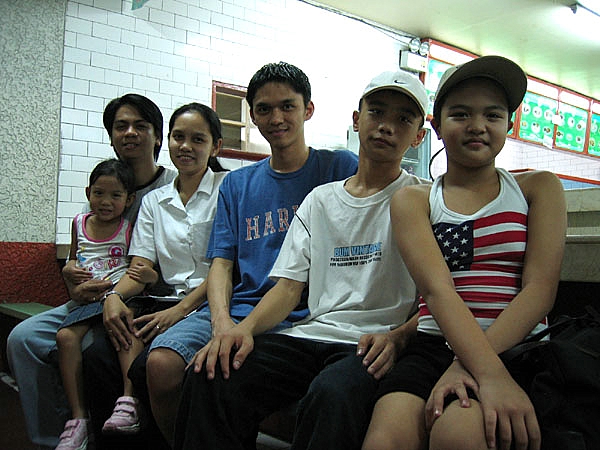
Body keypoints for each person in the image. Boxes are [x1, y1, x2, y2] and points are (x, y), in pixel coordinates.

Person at [174, 69, 430, 450]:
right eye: (377, 112)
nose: (386, 127)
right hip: (311, 333)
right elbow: (289, 288)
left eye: (403, 119)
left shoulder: (423, 201)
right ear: (357, 120)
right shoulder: (320, 200)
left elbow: (440, 294)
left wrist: (399, 337)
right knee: (213, 372)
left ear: (419, 137)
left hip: (371, 343)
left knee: (332, 394)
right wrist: (241, 330)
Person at [122, 61, 359, 447]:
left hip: (308, 315)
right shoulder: (237, 184)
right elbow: (222, 263)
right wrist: (220, 322)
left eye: (288, 106)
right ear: (253, 114)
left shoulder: (338, 167)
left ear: (308, 110)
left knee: (220, 374)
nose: (276, 118)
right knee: (162, 365)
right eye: (264, 109)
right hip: (241, 307)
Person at [362, 56, 567, 450]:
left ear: (509, 124)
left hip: (511, 346)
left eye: (493, 114)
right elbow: (437, 291)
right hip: (431, 345)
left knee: (460, 435)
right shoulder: (413, 200)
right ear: (436, 128)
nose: (477, 126)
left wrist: (478, 367)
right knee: (385, 440)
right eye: (460, 114)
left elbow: (540, 290)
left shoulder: (538, 189)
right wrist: (464, 362)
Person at [6, 93, 176, 450]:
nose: (130, 133)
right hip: (93, 299)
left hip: (144, 297)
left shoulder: (172, 186)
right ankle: (62, 434)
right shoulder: (102, 189)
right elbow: (81, 253)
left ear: (158, 136)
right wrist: (71, 277)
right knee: (23, 339)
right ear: (111, 136)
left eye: (140, 126)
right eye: (120, 126)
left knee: (97, 347)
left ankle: (117, 425)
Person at [75, 102, 227, 449]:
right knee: (101, 352)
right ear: (167, 141)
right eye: (178, 137)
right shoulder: (155, 201)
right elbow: (140, 267)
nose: (185, 146)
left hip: (210, 303)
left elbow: (226, 265)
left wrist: (181, 310)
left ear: (215, 146)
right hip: (163, 302)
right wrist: (114, 296)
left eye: (197, 139)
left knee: (148, 365)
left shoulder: (228, 188)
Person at [55, 158, 157, 449]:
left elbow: (144, 269)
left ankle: (129, 401)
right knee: (64, 337)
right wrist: (69, 268)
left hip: (119, 297)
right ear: (88, 193)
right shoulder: (79, 222)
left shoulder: (129, 228)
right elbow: (74, 257)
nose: (106, 201)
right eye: (99, 193)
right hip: (88, 300)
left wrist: (149, 276)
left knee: (124, 332)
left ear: (129, 199)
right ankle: (78, 419)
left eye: (115, 195)